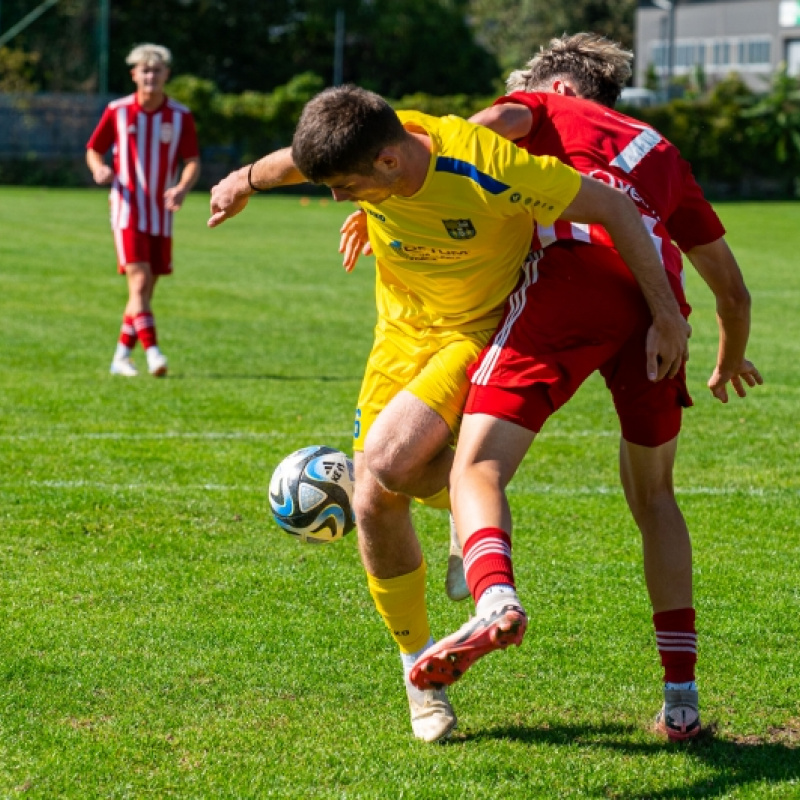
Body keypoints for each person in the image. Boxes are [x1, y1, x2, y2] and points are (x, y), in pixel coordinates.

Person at [208, 84, 690, 743]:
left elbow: (609, 205)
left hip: (471, 333)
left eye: (345, 188)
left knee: (383, 464)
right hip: (397, 334)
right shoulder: (370, 148)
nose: (336, 200)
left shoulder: (487, 165)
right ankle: (419, 676)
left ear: (388, 163)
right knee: (377, 500)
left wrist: (666, 311)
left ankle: (475, 535)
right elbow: (288, 163)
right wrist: (239, 182)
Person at [398, 33, 762, 742]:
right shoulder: (663, 154)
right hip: (664, 314)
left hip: (574, 277)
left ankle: (495, 598)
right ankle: (681, 699)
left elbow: (468, 138)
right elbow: (735, 291)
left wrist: (404, 193)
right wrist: (726, 360)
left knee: (478, 465)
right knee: (656, 499)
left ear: (558, 88)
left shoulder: (544, 106)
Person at [86, 43, 201, 378]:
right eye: (144, 70)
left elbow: (192, 160)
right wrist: (98, 169)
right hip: (127, 209)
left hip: (160, 212)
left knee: (146, 290)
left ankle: (121, 356)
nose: (151, 76)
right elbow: (94, 149)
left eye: (157, 70)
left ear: (166, 74)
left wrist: (181, 187)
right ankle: (154, 354)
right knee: (138, 283)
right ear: (134, 74)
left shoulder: (180, 116)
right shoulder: (118, 110)